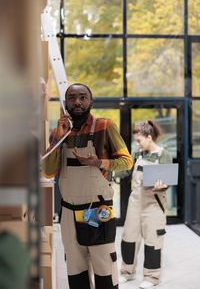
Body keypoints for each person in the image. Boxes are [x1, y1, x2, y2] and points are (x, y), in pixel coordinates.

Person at [43, 83, 133, 289]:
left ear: (91, 102)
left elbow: (127, 162)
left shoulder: (105, 125)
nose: (77, 102)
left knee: (104, 268)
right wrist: (57, 139)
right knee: (75, 270)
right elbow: (48, 171)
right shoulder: (59, 132)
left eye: (82, 97)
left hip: (96, 211)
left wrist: (99, 162)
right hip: (68, 213)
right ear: (65, 104)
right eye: (72, 98)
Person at [119, 120, 172, 289]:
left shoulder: (164, 155)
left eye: (139, 140)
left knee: (152, 241)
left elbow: (168, 180)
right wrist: (109, 170)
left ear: (149, 137)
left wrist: (163, 185)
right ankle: (127, 272)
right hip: (135, 203)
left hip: (154, 204)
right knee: (128, 238)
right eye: (136, 141)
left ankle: (152, 277)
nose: (137, 144)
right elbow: (126, 171)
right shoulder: (137, 154)